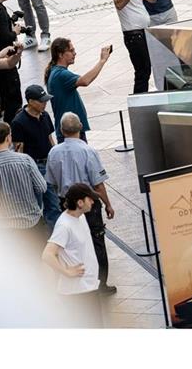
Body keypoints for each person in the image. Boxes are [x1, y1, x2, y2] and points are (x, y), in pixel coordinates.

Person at [46, 112, 117, 294]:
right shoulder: (88, 151)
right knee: (97, 241)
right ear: (80, 128)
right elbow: (98, 184)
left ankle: (80, 278)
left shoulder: (54, 152)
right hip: (88, 204)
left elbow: (52, 182)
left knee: (73, 246)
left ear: (61, 130)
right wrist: (107, 204)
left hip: (67, 203)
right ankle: (101, 283)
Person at [42, 183, 104, 327]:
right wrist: (67, 272)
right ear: (80, 202)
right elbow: (47, 254)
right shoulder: (64, 226)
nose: (93, 202)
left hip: (88, 286)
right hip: (78, 292)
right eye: (90, 199)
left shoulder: (80, 217)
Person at [0, 122, 48, 247]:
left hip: (5, 229)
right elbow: (42, 187)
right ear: (8, 138)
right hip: (31, 222)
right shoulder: (25, 160)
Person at [12, 84, 60, 230]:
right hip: (34, 166)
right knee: (41, 204)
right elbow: (19, 149)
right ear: (31, 101)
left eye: (45, 100)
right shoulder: (19, 122)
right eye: (41, 101)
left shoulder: (45, 116)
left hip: (49, 163)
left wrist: (54, 158)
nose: (45, 103)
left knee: (53, 203)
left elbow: (49, 138)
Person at [45, 38, 111, 143]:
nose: (74, 53)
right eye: (71, 51)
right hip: (70, 133)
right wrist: (102, 61)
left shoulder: (56, 72)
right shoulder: (61, 74)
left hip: (71, 130)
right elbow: (85, 81)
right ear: (60, 54)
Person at [110, 0, 158, 94]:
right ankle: (139, 101)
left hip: (144, 31)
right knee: (142, 71)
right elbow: (119, 4)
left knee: (146, 69)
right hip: (133, 34)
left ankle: (141, 99)